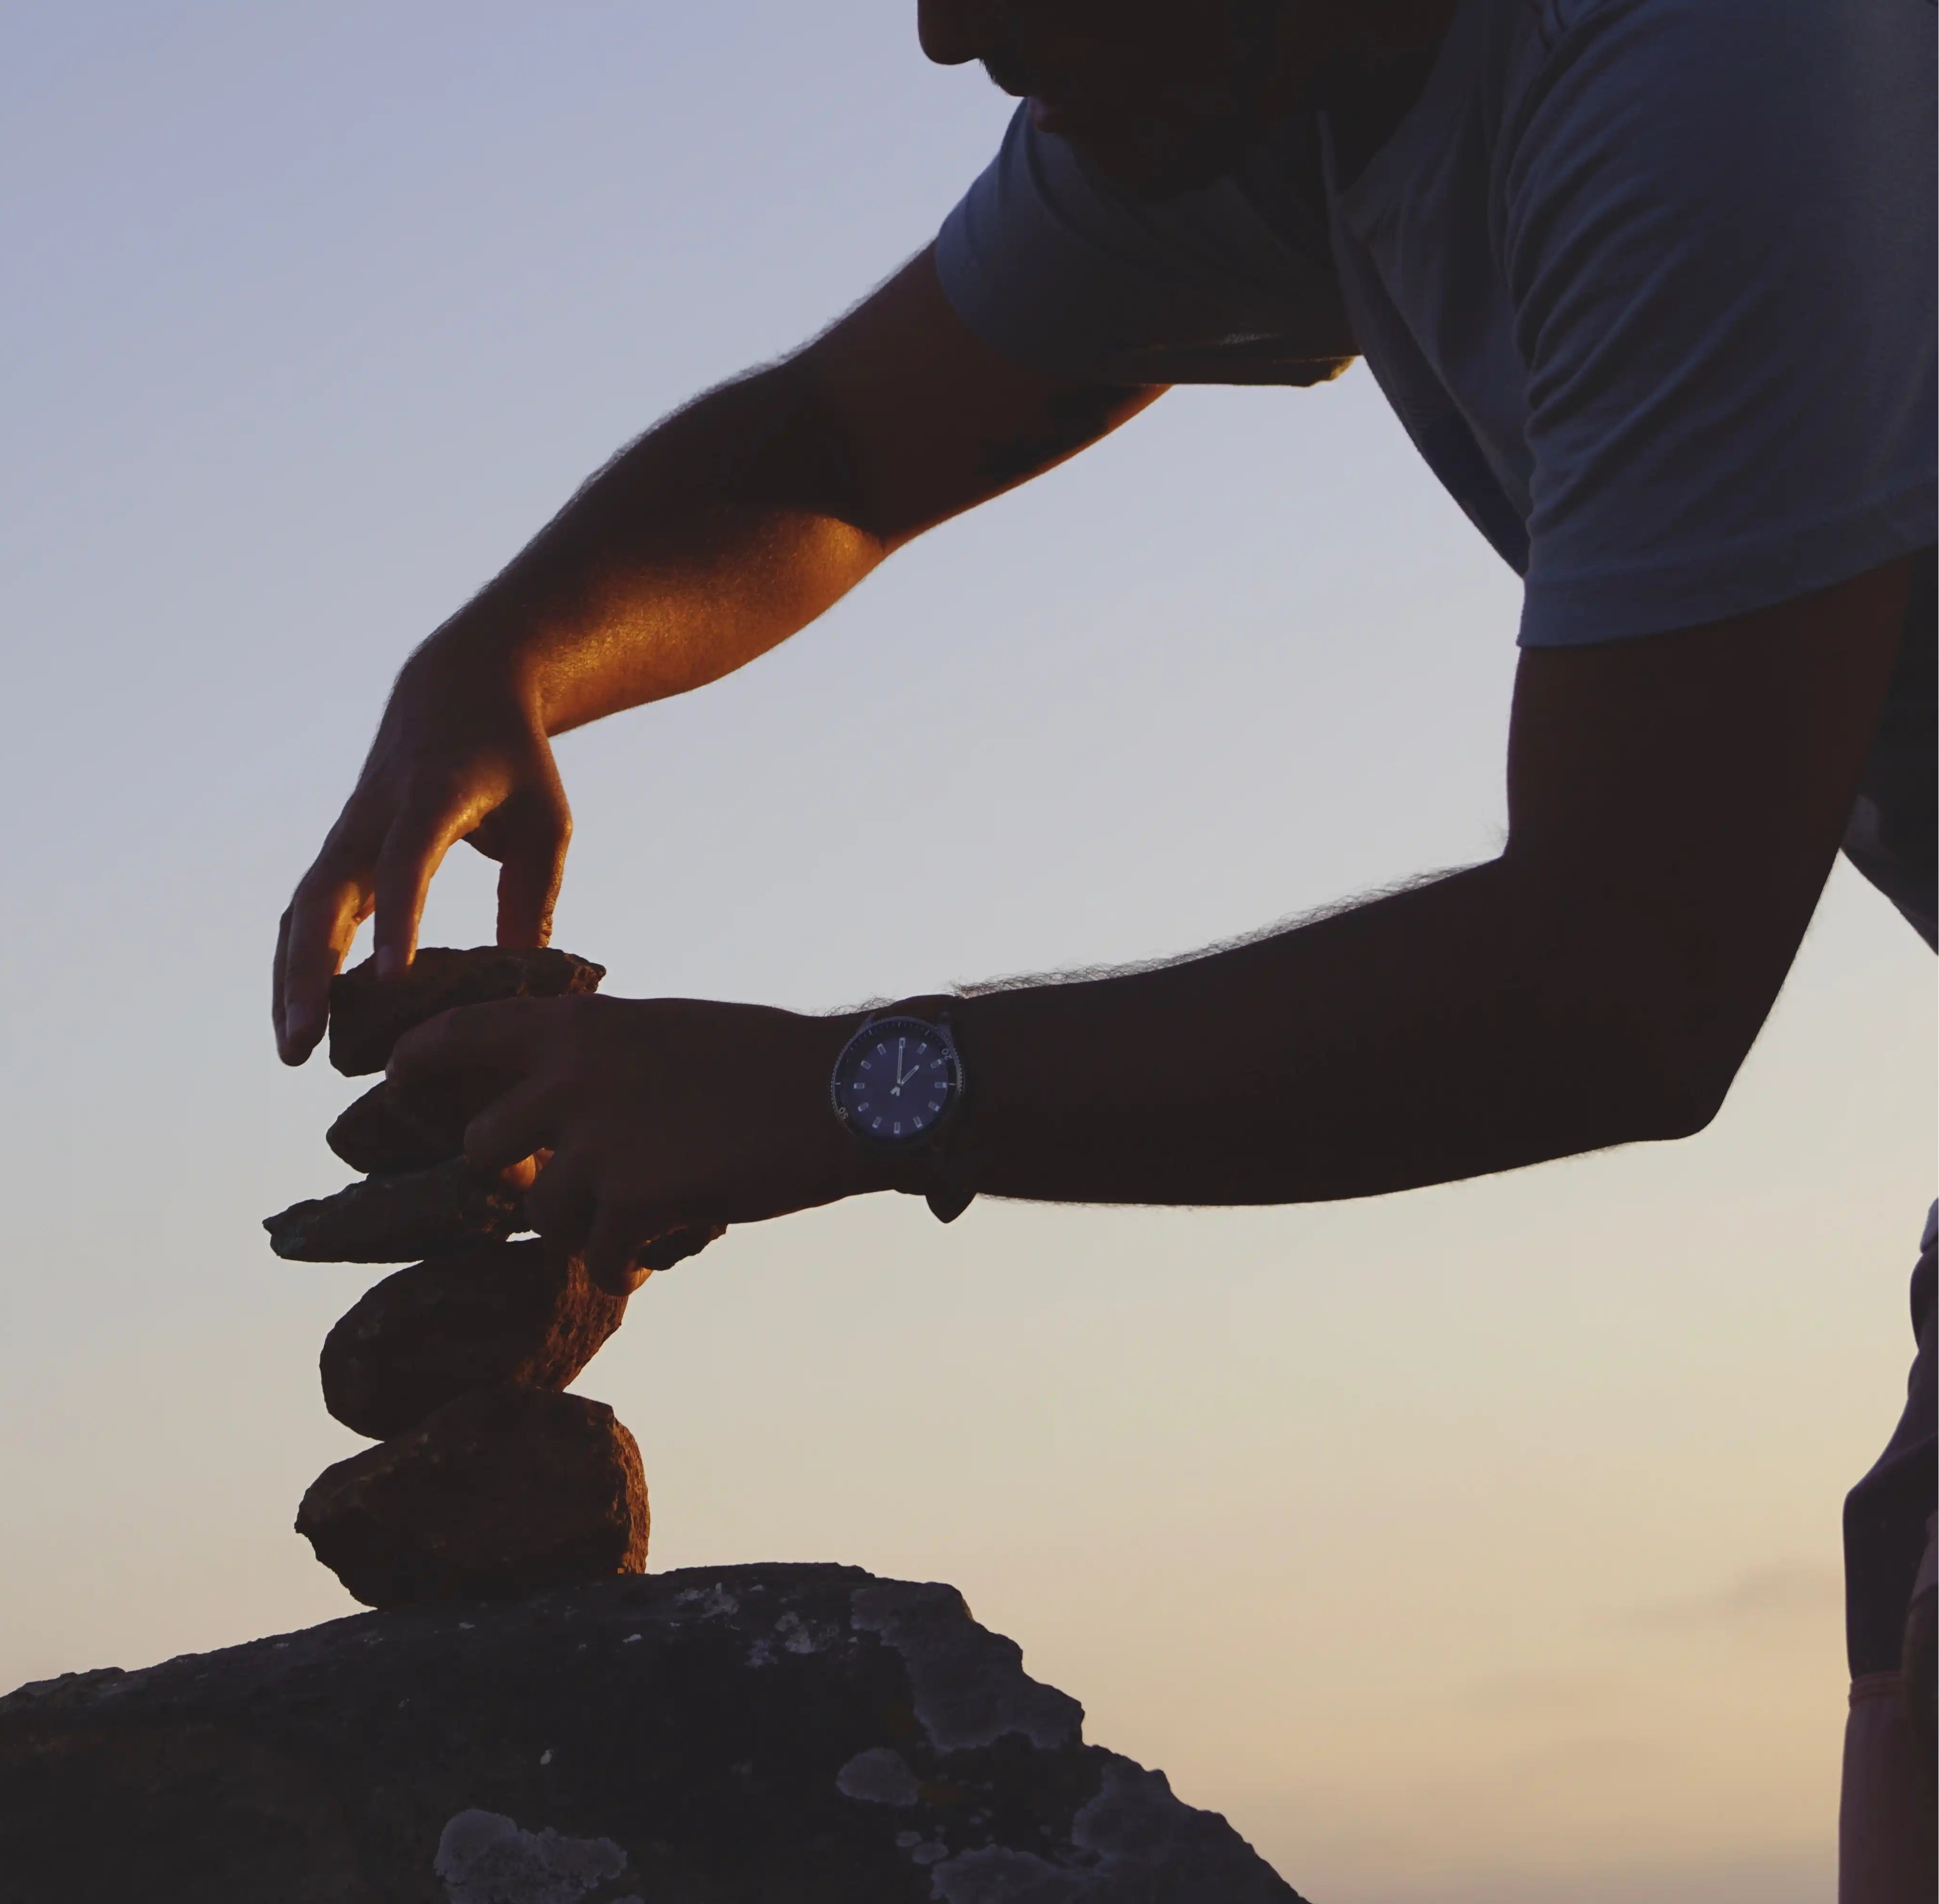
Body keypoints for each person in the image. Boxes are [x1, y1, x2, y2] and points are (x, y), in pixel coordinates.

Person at [270, 1, 1935, 1889]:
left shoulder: (1711, 80)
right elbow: (838, 446)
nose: (946, 32)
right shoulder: (1265, 78)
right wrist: (500, 659)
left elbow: (1619, 984)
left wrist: (846, 1091)